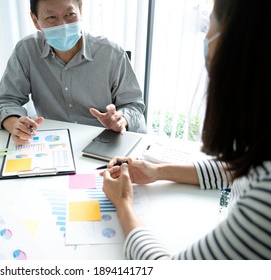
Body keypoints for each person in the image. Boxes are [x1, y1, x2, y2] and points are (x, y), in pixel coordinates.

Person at [101, 0, 271, 260]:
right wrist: (157, 171)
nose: (205, 38)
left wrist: (123, 204)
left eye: (210, 24)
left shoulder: (264, 205)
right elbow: (238, 168)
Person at [0, 0, 146, 145]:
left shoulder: (111, 53)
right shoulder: (26, 50)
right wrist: (14, 123)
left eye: (70, 15)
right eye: (51, 17)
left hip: (107, 141)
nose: (63, 25)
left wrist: (121, 119)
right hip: (55, 143)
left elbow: (133, 105)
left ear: (80, 10)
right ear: (35, 20)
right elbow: (6, 100)